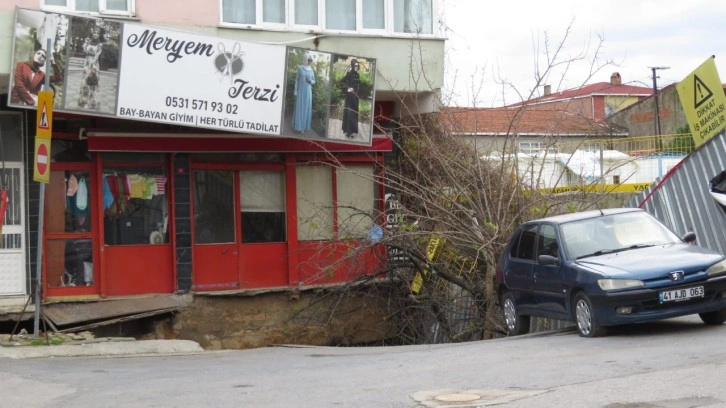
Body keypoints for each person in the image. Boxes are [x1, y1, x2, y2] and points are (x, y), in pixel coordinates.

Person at [78, 27, 105, 109]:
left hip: (94, 64)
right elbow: (85, 51)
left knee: (93, 82)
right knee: (85, 82)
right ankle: (83, 102)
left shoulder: (100, 45)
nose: (96, 34)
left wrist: (92, 65)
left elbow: (97, 55)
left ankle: (92, 103)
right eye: (94, 33)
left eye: (97, 33)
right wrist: (85, 44)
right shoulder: (88, 42)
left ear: (99, 35)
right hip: (86, 63)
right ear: (92, 34)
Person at [292, 53, 315, 134]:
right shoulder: (300, 69)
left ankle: (303, 127)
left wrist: (310, 81)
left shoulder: (311, 70)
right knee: (299, 109)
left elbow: (314, 81)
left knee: (306, 109)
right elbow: (296, 80)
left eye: (310, 60)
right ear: (305, 60)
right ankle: (298, 126)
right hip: (301, 92)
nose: (309, 62)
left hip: (308, 93)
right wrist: (295, 90)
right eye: (308, 60)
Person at [340, 59, 361, 138]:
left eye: (357, 65)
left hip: (355, 98)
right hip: (349, 98)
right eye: (355, 65)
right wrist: (347, 89)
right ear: (352, 66)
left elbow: (358, 85)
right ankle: (348, 131)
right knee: (349, 114)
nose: (356, 67)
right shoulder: (349, 74)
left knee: (354, 114)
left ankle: (352, 131)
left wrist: (358, 91)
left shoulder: (358, 75)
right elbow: (341, 82)